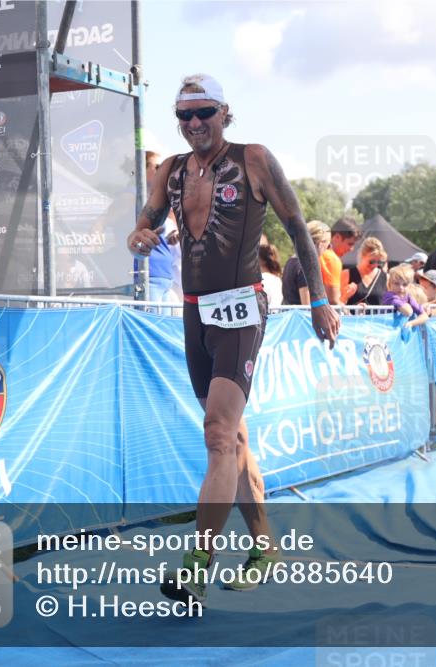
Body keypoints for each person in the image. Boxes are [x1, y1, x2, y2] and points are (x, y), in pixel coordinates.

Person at [127, 74, 340, 603]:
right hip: (194, 311)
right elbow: (143, 224)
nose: (195, 123)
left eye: (204, 112)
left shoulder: (254, 159)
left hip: (242, 309)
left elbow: (296, 226)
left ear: (224, 112)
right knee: (234, 438)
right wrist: (139, 237)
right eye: (184, 115)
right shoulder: (171, 170)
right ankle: (265, 546)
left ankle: (197, 563)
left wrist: (319, 300)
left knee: (218, 434)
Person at [138, 150, 177, 310]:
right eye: (157, 166)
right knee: (151, 323)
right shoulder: (130, 197)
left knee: (164, 323)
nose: (163, 170)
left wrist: (174, 236)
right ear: (141, 168)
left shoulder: (159, 199)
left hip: (164, 277)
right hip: (148, 276)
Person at [282, 220, 330, 306]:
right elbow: (307, 306)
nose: (326, 250)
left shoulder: (291, 261)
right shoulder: (306, 267)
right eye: (328, 246)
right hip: (300, 314)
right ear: (320, 244)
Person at [322, 217, 360, 304]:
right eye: (350, 244)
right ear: (337, 237)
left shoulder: (319, 254)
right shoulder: (332, 259)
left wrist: (344, 297)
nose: (351, 249)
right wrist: (350, 311)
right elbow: (333, 302)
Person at [382, 264, 429, 328]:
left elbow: (425, 316)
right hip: (385, 328)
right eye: (396, 283)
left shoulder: (408, 297)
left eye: (405, 284)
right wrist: (410, 306)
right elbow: (408, 312)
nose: (401, 287)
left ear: (409, 286)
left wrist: (411, 323)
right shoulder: (389, 296)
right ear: (390, 284)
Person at [347, 237, 388, 306]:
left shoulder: (386, 277)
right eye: (372, 261)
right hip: (352, 313)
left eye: (379, 262)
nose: (375, 265)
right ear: (362, 256)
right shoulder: (347, 274)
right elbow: (338, 302)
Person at [259, 244, 283, 308]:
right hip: (277, 313)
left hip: (266, 312)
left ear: (263, 260)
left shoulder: (261, 279)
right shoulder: (277, 279)